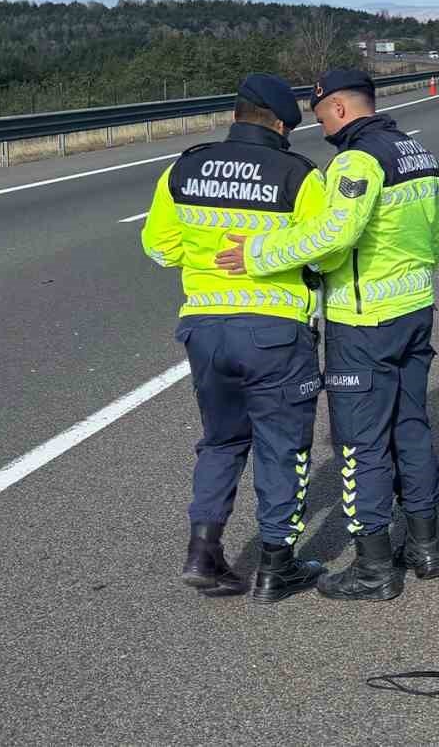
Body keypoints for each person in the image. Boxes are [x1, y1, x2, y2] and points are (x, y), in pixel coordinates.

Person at [216, 69, 439, 602]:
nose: (320, 128)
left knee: (361, 444)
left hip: (364, 321)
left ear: (340, 108)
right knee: (411, 427)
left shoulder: (357, 161)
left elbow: (333, 236)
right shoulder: (418, 153)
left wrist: (257, 256)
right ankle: (426, 548)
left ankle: (374, 570)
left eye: (320, 117)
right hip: (415, 308)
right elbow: (433, 234)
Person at [139, 73, 326, 603]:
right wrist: (265, 255)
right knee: (281, 447)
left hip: (204, 329)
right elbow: (322, 252)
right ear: (281, 121)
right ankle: (275, 565)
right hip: (274, 330)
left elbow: (158, 247)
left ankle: (203, 553)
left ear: (237, 114)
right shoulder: (297, 174)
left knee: (221, 441)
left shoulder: (184, 167)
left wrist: (202, 261)